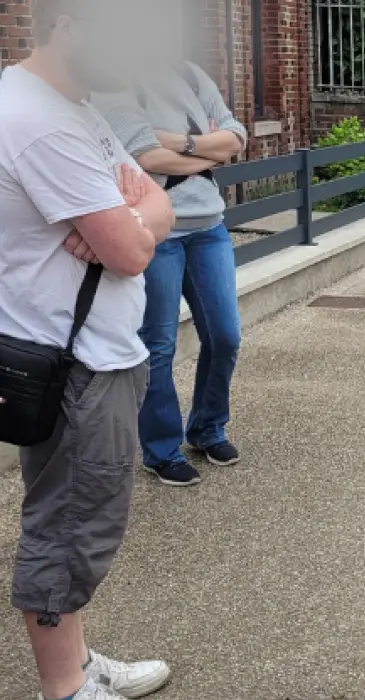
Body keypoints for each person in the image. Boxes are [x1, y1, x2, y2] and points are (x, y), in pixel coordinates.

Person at [1, 1, 179, 698]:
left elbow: (156, 202)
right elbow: (134, 247)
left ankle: (74, 664)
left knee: (80, 516)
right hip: (77, 367)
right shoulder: (39, 122)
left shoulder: (69, 104)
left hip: (94, 353)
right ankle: (65, 692)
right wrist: (131, 220)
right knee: (69, 527)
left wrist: (131, 215)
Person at [95, 6, 248, 488]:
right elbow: (142, 156)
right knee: (157, 345)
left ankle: (206, 428)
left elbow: (236, 138)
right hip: (157, 233)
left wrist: (177, 143)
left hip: (210, 227)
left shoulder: (190, 73)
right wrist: (203, 145)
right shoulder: (114, 83)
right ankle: (160, 449)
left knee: (225, 336)